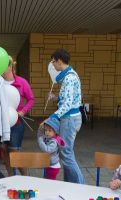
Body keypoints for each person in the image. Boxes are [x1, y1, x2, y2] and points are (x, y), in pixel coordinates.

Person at [44, 48, 84, 184]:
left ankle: (79, 185)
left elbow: (67, 104)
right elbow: (70, 100)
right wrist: (55, 98)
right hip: (70, 118)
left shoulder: (69, 78)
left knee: (66, 153)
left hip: (69, 119)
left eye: (53, 62)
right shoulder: (70, 76)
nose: (53, 65)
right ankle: (70, 184)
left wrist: (52, 117)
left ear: (59, 61)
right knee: (65, 152)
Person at [2, 56, 35, 176]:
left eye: (2, 65)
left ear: (10, 66)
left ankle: (25, 176)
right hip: (0, 122)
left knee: (14, 150)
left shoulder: (21, 82)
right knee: (4, 150)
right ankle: (10, 177)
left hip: (16, 122)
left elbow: (31, 99)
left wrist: (23, 111)